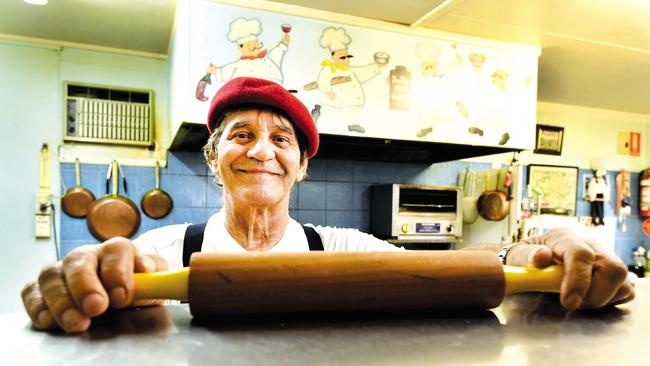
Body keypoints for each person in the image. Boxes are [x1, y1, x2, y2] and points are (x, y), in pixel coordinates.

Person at [22, 77, 634, 333]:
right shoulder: (162, 255)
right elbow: (107, 278)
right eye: (241, 135)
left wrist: (544, 248)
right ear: (213, 159)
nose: (262, 150)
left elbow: (467, 269)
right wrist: (80, 283)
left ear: (302, 165)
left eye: (281, 139)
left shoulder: (340, 250)